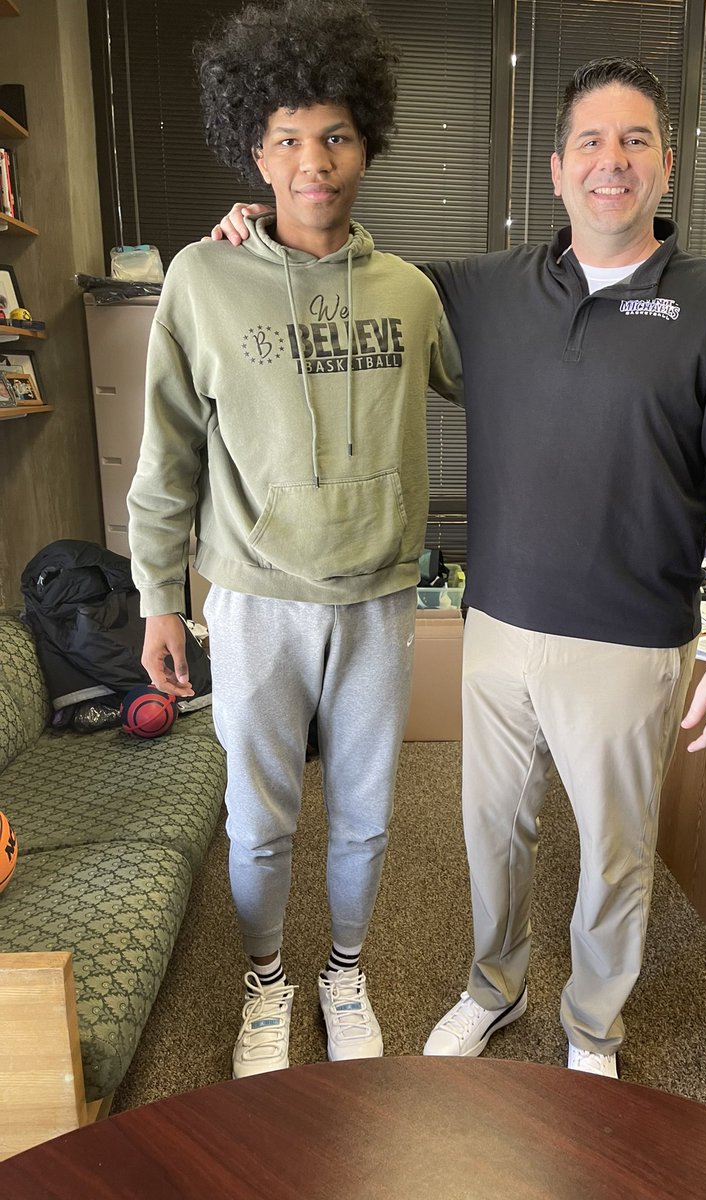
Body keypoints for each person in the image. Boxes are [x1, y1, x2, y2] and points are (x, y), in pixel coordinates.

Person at [210, 57, 706, 1077]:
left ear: (665, 167)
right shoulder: (486, 288)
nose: (613, 161)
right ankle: (492, 986)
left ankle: (592, 1029)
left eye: (636, 141)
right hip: (500, 627)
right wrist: (260, 237)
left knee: (613, 859)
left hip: (630, 638)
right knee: (492, 838)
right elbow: (356, 276)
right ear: (557, 169)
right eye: (594, 143)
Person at [127, 0, 461, 1079]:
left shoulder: (411, 294)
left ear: (366, 142)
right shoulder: (200, 280)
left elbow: (517, 381)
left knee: (365, 819)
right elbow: (167, 455)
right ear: (253, 150)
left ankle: (347, 972)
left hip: (375, 598)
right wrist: (157, 598)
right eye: (285, 137)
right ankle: (266, 980)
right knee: (258, 823)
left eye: (334, 135)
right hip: (257, 598)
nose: (312, 161)